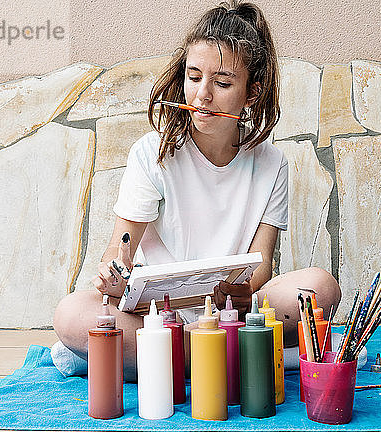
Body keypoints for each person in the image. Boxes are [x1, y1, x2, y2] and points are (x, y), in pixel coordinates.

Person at [53, 0, 341, 381]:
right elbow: (119, 246)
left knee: (320, 287)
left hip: (229, 313)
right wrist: (115, 271)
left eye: (222, 83)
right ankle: (240, 355)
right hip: (159, 312)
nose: (202, 95)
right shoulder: (152, 152)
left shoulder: (272, 164)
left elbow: (261, 264)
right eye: (193, 76)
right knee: (72, 314)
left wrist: (242, 293)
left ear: (251, 94)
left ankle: (155, 358)